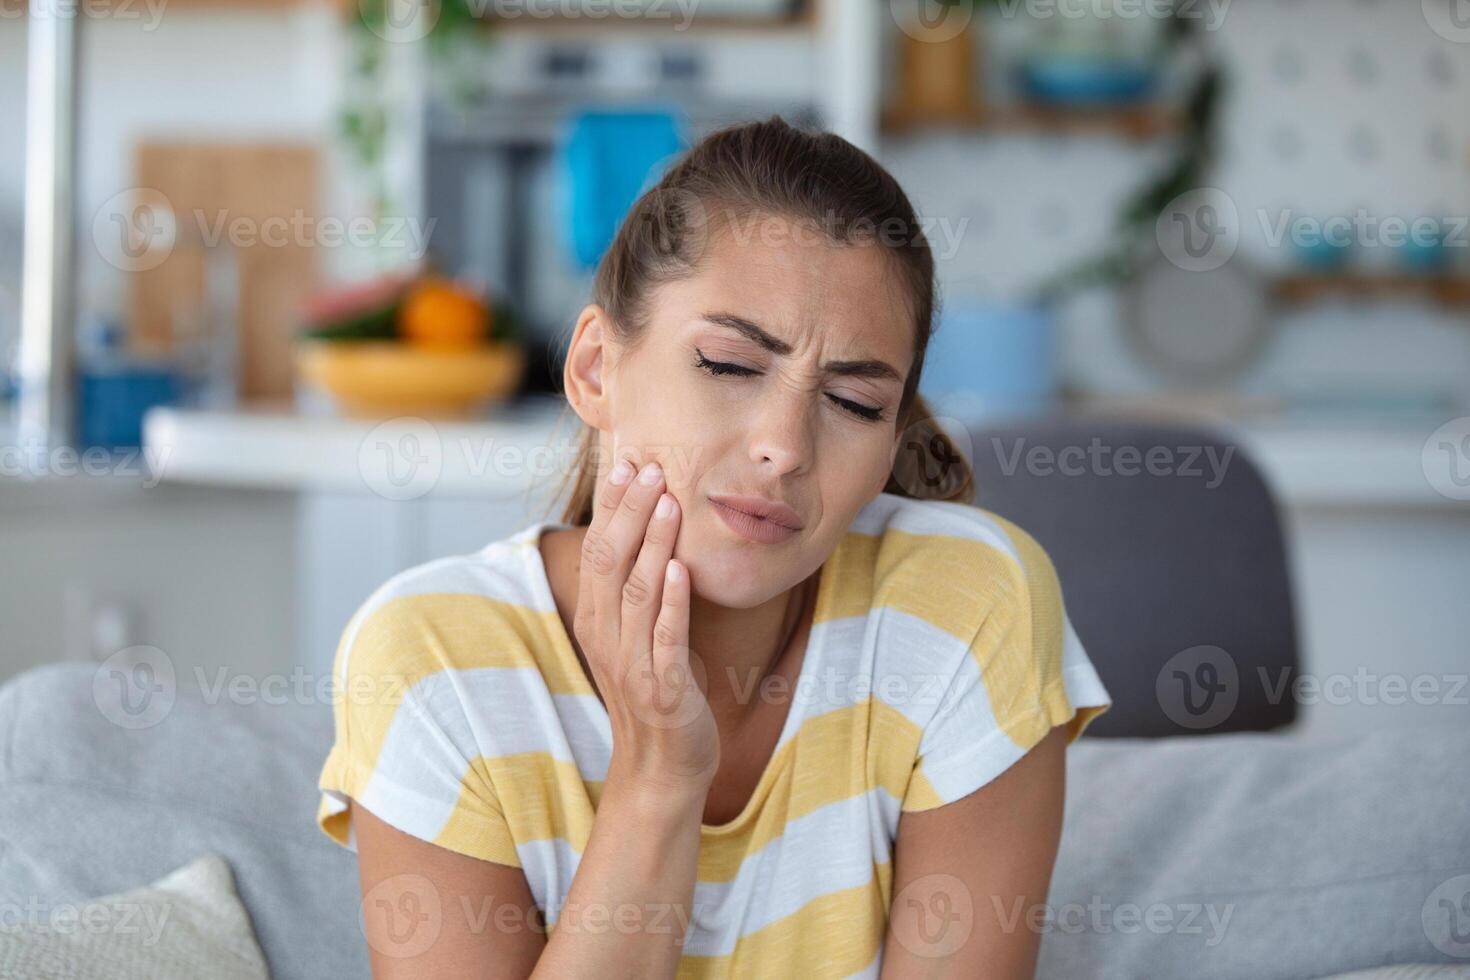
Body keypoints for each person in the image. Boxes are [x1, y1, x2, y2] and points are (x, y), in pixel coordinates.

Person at [315, 115, 1112, 979]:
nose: (786, 446)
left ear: (892, 442)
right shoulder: (430, 666)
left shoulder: (970, 606)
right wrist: (658, 774)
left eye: (852, 402)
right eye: (730, 365)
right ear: (593, 369)